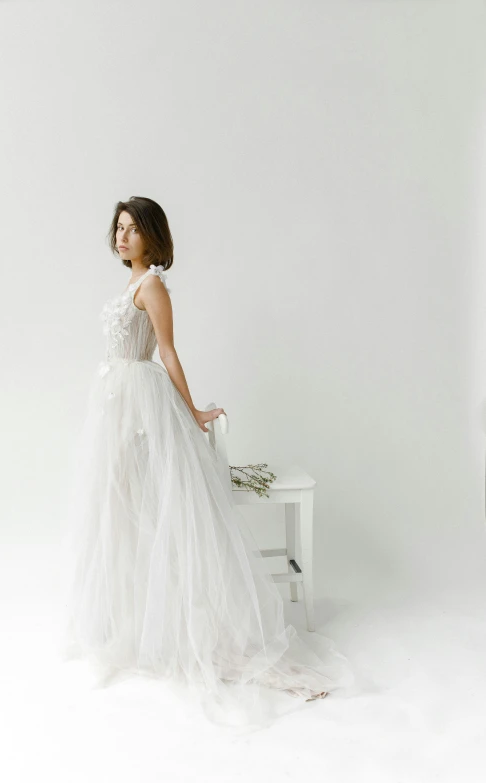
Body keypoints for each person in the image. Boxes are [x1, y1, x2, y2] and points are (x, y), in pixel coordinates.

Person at [59, 196, 358, 731]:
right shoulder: (130, 284)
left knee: (150, 511)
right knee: (118, 511)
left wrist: (192, 411)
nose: (123, 237)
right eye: (119, 229)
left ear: (153, 235)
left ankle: (176, 628)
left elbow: (167, 351)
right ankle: (132, 624)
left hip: (138, 401)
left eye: (133, 229)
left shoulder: (151, 285)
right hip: (116, 405)